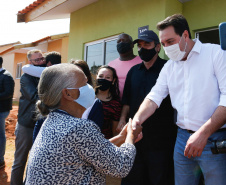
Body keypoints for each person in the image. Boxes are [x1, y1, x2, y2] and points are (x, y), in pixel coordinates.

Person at [132, 14, 226, 185]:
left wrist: (203, 133)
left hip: (213, 139)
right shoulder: (169, 67)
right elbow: (154, 97)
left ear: (185, 35)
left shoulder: (216, 54)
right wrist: (137, 119)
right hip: (182, 139)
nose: (167, 47)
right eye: (164, 43)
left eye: (170, 41)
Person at [25, 63, 142, 184]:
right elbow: (120, 166)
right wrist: (131, 137)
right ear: (68, 94)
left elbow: (93, 150)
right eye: (84, 83)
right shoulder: (79, 127)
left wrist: (121, 137)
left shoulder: (53, 119)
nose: (90, 87)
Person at [119, 30, 177, 185]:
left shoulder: (169, 69)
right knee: (134, 177)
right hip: (136, 135)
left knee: (159, 177)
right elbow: (127, 100)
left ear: (157, 47)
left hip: (161, 137)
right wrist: (122, 119)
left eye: (147, 44)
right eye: (140, 45)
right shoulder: (133, 72)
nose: (142, 48)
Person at [11, 49, 46, 185]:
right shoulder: (26, 77)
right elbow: (33, 97)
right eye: (37, 60)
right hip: (26, 124)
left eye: (42, 59)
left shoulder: (45, 74)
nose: (40, 62)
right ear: (30, 62)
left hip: (41, 124)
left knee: (36, 159)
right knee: (20, 160)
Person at [108, 33, 142, 99]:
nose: (121, 43)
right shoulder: (111, 64)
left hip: (136, 103)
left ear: (132, 45)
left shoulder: (142, 61)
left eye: (124, 40)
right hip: (116, 104)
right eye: (119, 41)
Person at [95, 65, 122, 138]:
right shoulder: (87, 96)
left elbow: (115, 132)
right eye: (100, 76)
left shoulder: (116, 104)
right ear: (96, 77)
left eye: (108, 77)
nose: (103, 79)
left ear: (113, 80)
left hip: (104, 143)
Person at [0, 56, 15, 169]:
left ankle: (0, 160)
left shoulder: (6, 76)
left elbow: (9, 93)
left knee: (0, 135)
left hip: (1, 110)